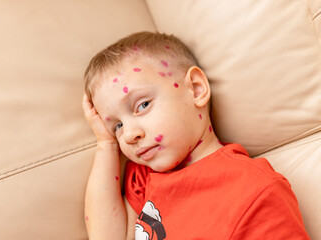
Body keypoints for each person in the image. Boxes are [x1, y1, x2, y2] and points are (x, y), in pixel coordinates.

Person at [82, 31, 310, 239]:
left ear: (196, 89)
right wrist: (106, 144)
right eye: (118, 126)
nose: (129, 134)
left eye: (142, 105)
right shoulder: (144, 177)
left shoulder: (255, 188)